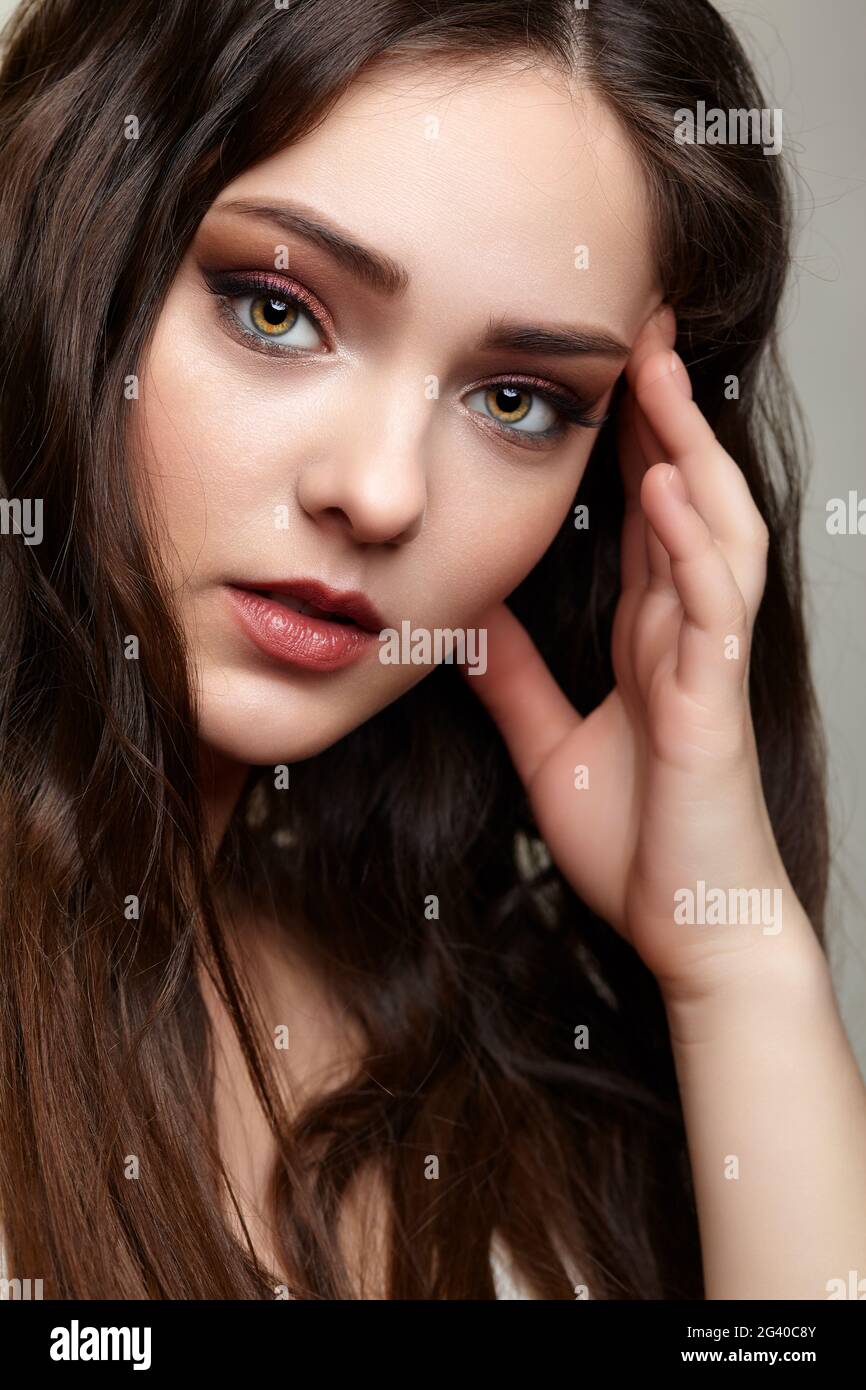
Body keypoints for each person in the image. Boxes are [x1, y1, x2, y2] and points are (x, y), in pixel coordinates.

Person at [1, 0, 863, 1300]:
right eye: (278, 310)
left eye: (515, 400)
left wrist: (733, 961)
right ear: (84, 246)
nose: (384, 490)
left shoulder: (500, 1036)